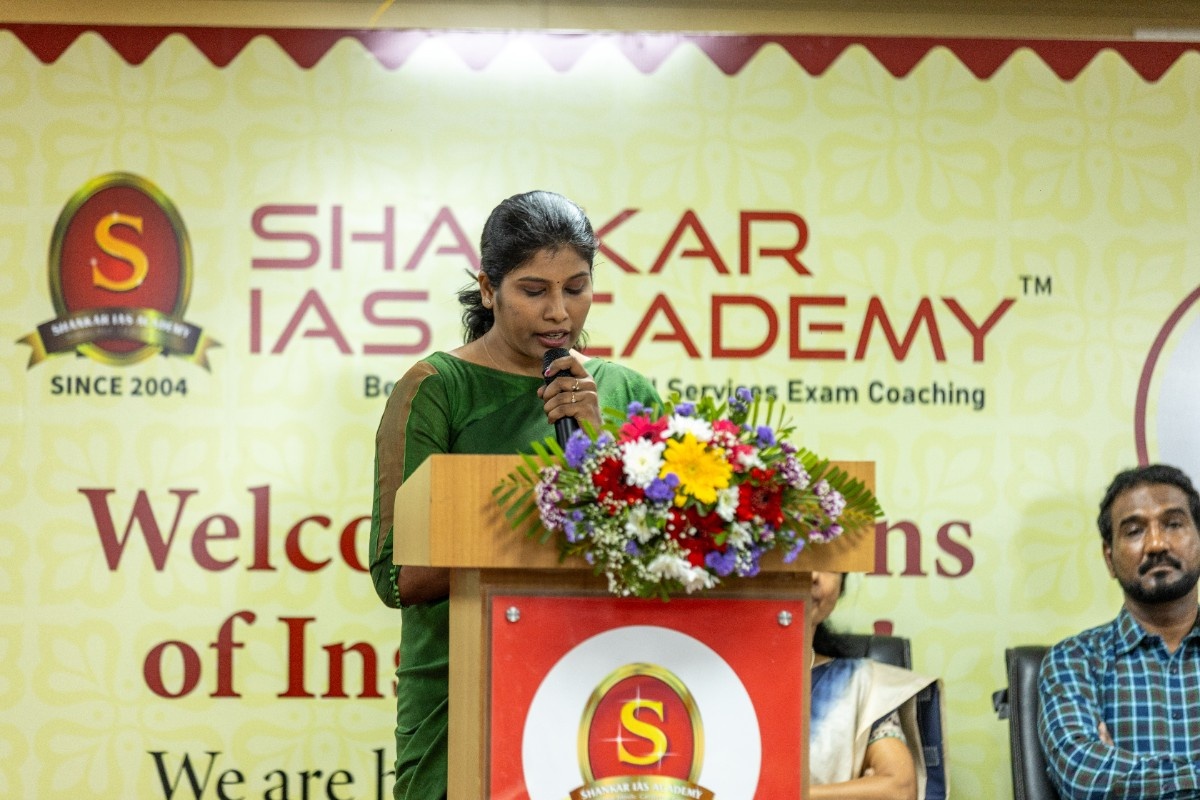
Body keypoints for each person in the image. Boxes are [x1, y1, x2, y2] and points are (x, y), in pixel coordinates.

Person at [368, 190, 660, 800]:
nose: (559, 312)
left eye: (576, 288)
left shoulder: (626, 392)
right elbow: (398, 576)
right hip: (463, 697)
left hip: (602, 687)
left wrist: (600, 449)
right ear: (488, 289)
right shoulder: (438, 388)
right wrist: (546, 513)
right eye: (533, 290)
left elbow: (664, 552)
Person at [1037, 463, 1200, 799]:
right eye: (1135, 531)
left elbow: (1109, 783)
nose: (1156, 544)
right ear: (1109, 558)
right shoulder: (1074, 661)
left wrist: (1125, 777)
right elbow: (1086, 779)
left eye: (1173, 524)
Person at [808, 571, 949, 800]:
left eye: (827, 564)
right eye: (799, 558)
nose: (813, 575)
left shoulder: (860, 684)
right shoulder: (738, 679)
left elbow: (898, 791)